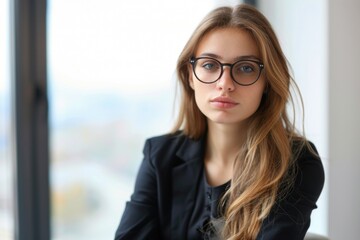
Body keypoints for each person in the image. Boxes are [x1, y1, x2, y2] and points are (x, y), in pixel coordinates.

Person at [114, 4, 324, 240]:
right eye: (209, 65)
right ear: (190, 76)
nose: (225, 83)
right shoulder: (160, 156)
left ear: (267, 82)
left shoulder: (295, 162)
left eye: (246, 68)